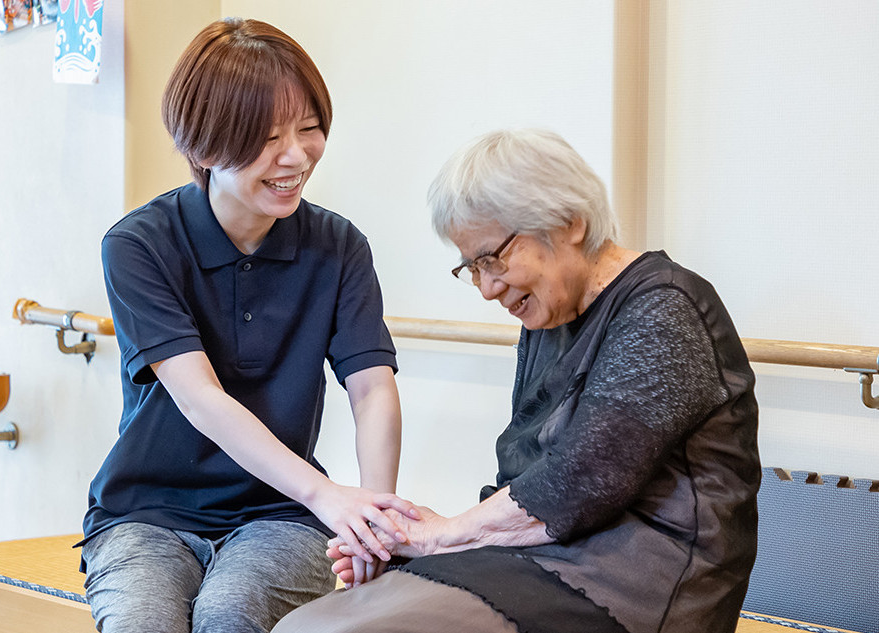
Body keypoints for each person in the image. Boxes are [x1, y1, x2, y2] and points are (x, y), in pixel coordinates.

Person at [272, 128, 761, 633]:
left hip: (640, 585)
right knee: (306, 624)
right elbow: (522, 474)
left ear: (569, 222)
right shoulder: (547, 321)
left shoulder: (666, 308)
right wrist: (410, 538)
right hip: (544, 562)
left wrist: (440, 537)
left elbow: (579, 483)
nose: (487, 289)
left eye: (493, 259)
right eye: (472, 268)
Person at [78, 18, 417, 633]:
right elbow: (201, 397)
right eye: (267, 138)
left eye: (309, 130)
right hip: (146, 512)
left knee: (229, 617)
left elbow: (372, 388)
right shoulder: (139, 245)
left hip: (279, 514)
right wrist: (326, 493)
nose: (296, 156)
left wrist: (372, 519)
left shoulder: (339, 247)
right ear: (205, 146)